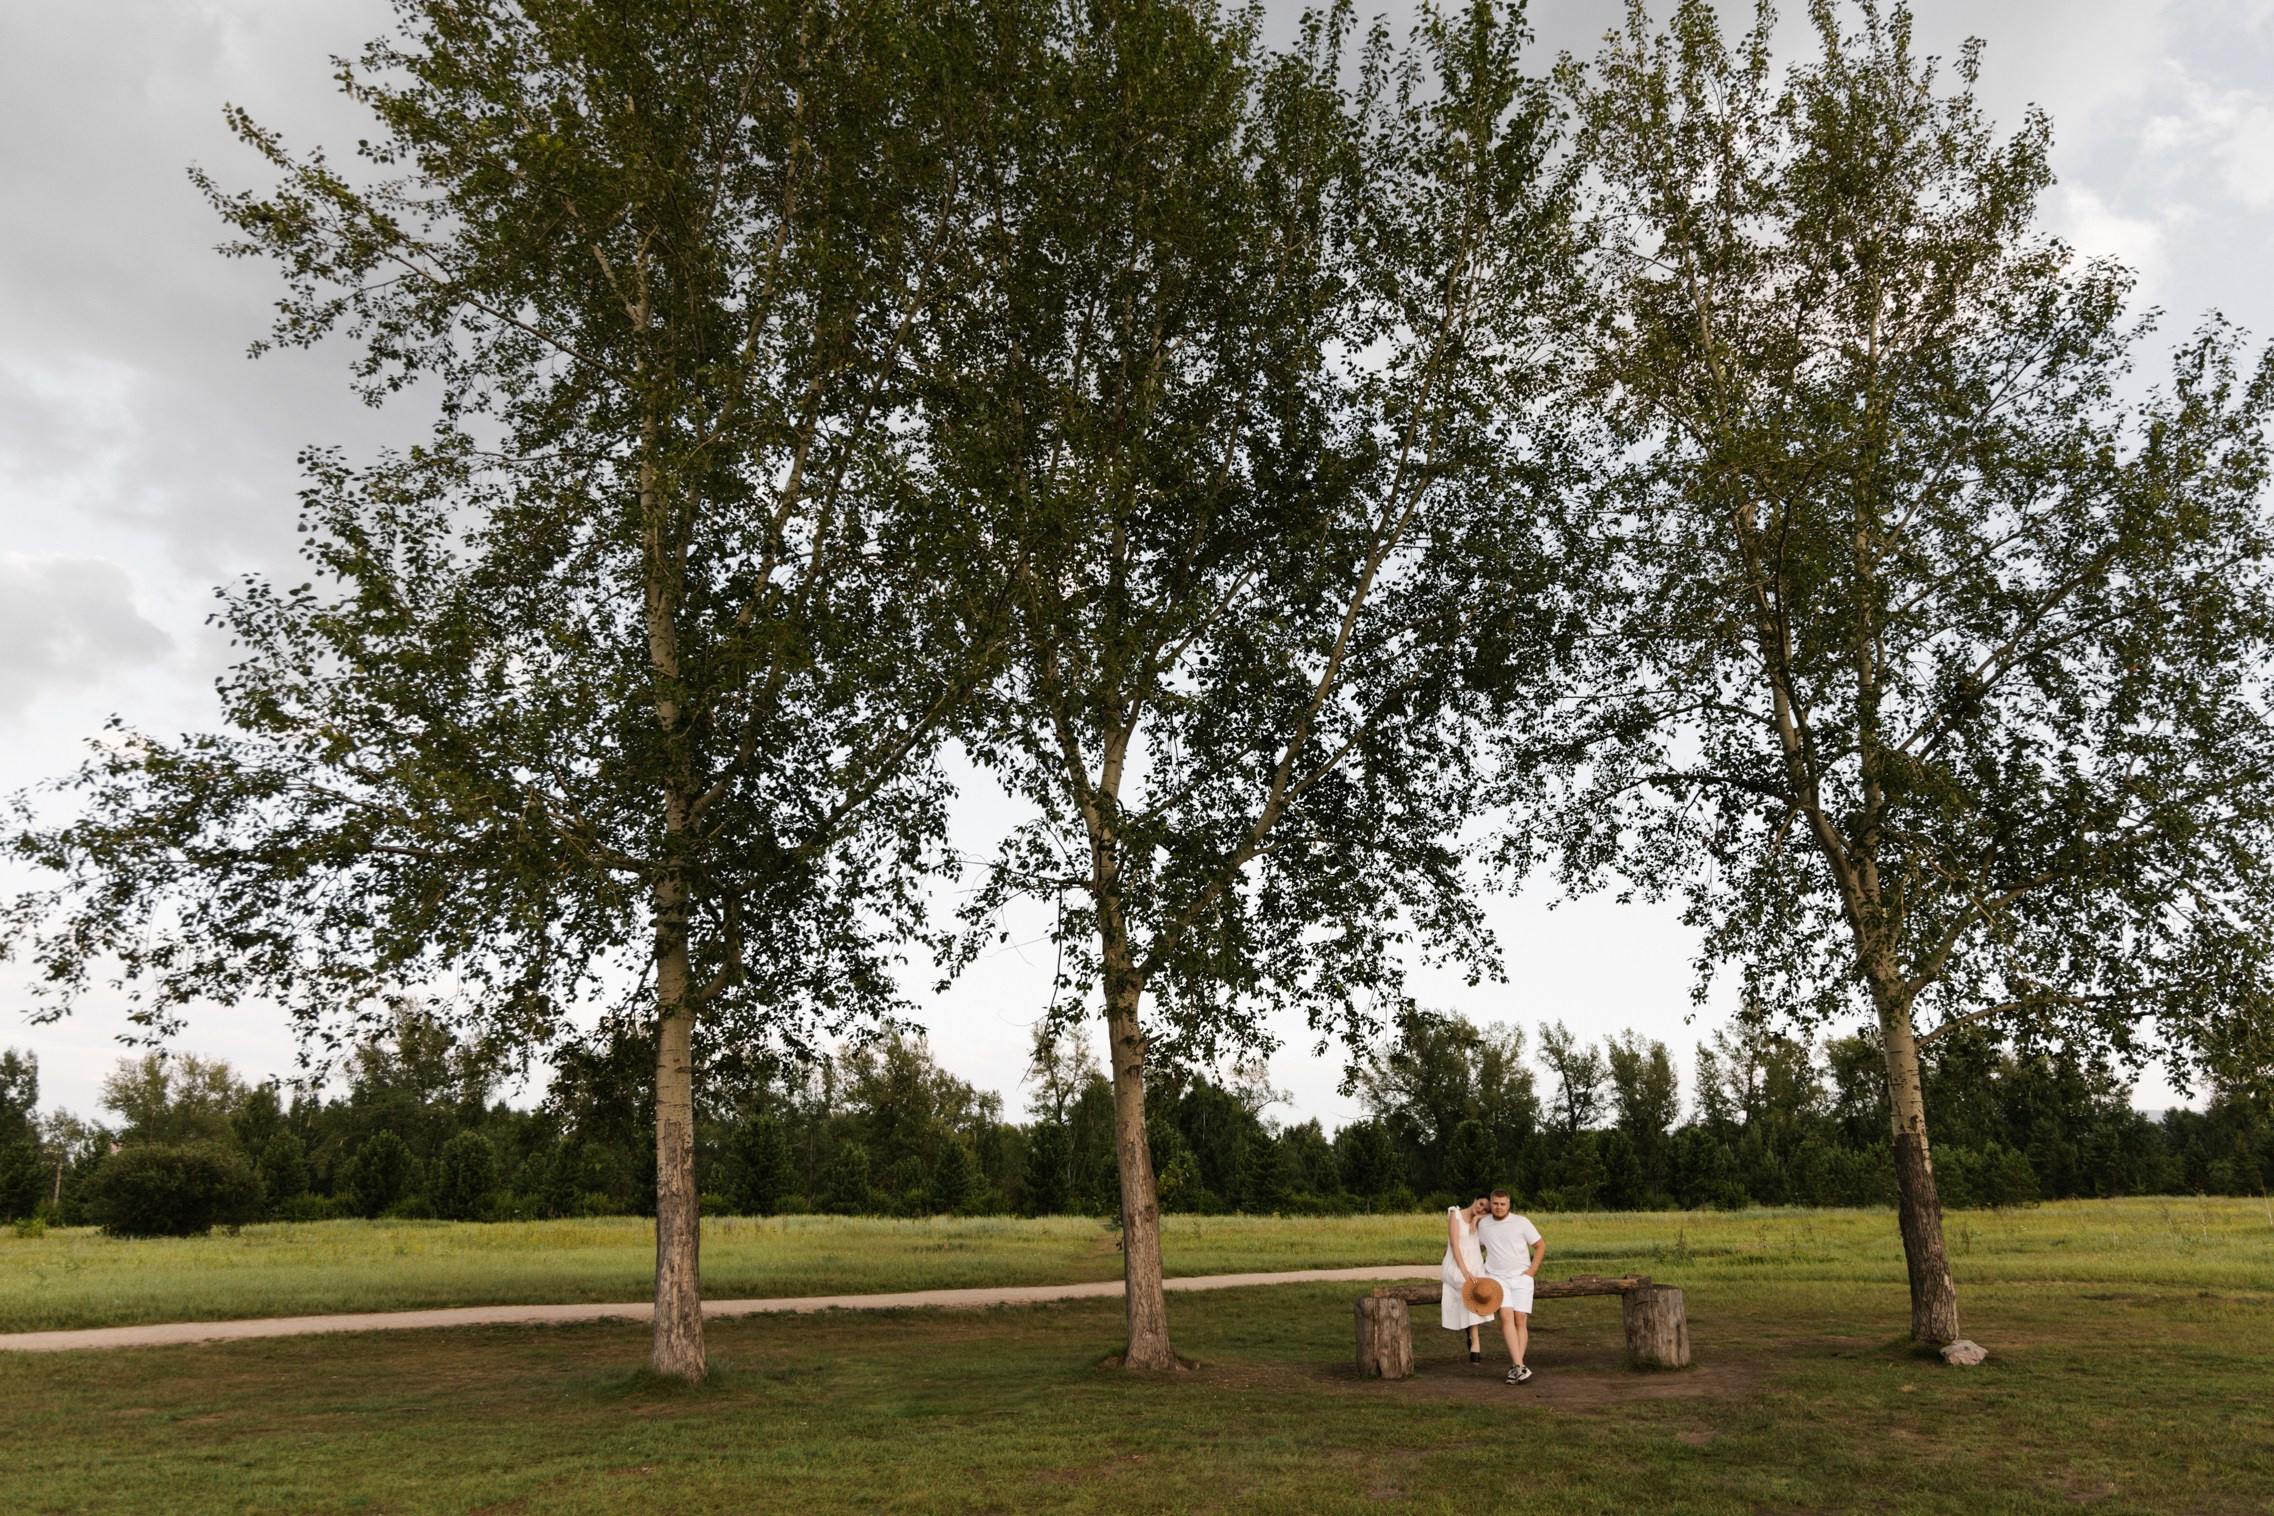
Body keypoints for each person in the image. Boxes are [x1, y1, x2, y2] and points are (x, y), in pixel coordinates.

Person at [1474, 1187, 1546, 1384]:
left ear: (1508, 1205)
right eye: (1495, 1204)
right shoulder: (1484, 1225)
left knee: (1520, 1319)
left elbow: (1540, 1246)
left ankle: (1517, 1367)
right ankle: (1519, 1366)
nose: (1498, 1207)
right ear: (1491, 1203)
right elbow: (1477, 1249)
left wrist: (1532, 1271)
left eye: (1502, 1204)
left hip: (1522, 1277)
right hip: (1497, 1278)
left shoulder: (1521, 1222)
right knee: (1506, 1316)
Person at [1439, 1195, 1493, 1363]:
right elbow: (1455, 1244)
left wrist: (1478, 1218)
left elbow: (1502, 1213)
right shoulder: (1455, 1214)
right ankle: (1475, 1339)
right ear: (1475, 1199)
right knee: (1468, 1285)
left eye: (1486, 1209)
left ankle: (1472, 1333)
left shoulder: (1482, 1220)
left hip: (1475, 1262)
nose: (1482, 1208)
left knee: (1480, 1288)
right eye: (1481, 1204)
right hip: (1457, 1263)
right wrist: (1464, 1270)